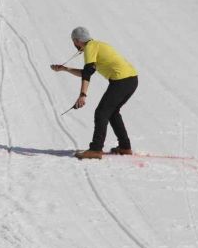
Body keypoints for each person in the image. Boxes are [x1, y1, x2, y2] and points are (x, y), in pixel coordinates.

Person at [51, 27, 138, 160]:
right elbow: (88, 71)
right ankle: (125, 147)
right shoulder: (97, 45)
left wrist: (82, 95)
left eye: (74, 42)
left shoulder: (90, 47)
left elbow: (87, 72)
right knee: (112, 113)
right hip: (131, 80)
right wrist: (65, 69)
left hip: (122, 81)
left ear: (77, 41)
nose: (74, 45)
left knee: (101, 113)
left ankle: (96, 149)